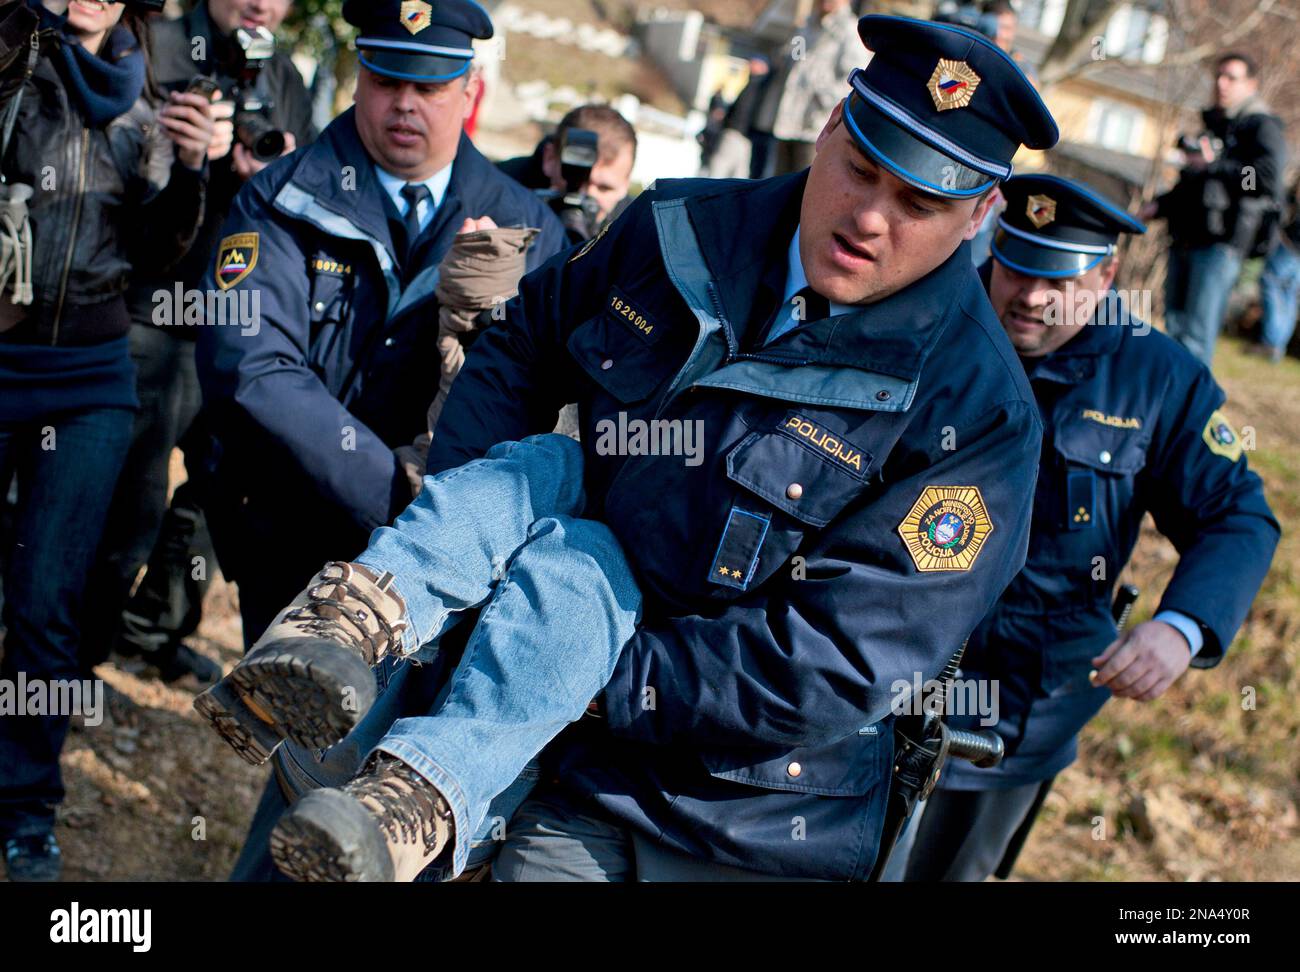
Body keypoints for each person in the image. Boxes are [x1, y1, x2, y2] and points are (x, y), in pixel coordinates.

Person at [206, 14, 1061, 883]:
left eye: (920, 204)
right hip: (520, 621)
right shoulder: (678, 228)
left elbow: (834, 662)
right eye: (861, 170)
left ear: (981, 213)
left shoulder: (979, 421)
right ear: (831, 124)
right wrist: (467, 551)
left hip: (713, 804)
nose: (872, 218)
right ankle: (365, 620)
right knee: (308, 836)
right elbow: (525, 344)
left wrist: (588, 671)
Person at [899, 174, 1280, 882]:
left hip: (1015, 711)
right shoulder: (925, 317)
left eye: (1058, 280)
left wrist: (1183, 627)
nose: (1031, 297)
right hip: (874, 662)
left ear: (1106, 276)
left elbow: (1237, 516)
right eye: (1016, 265)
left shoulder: (1157, 377)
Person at [190, 0, 565, 654]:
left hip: (444, 548)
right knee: (298, 733)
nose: (405, 105)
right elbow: (250, 366)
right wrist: (395, 495)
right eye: (387, 82)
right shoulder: (281, 198)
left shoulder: (525, 227)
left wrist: (491, 316)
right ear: (359, 78)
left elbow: (551, 395)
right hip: (289, 515)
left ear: (470, 91)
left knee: (397, 740)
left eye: (430, 87)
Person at [0, 0, 214, 881]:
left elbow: (163, 257)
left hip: (91, 374)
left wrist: (194, 171)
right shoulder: (12, 45)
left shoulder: (154, 75)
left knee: (49, 605)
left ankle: (23, 814)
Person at [83, 0, 316, 686]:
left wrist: (274, 176)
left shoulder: (289, 82)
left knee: (221, 500)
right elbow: (111, 180)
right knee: (127, 503)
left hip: (244, 327)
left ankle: (149, 631)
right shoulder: (151, 48)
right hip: (154, 314)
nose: (261, 2)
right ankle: (72, 659)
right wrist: (190, 159)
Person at [1141, 53, 1287, 366]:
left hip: (1221, 244)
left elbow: (1265, 180)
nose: (1221, 84)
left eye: (1231, 77)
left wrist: (1216, 166)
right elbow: (1197, 184)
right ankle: (1170, 404)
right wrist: (1159, 206)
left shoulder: (1261, 126)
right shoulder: (1218, 125)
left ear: (1251, 84)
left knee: (1196, 335)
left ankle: (1192, 409)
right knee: (1175, 328)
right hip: (1185, 237)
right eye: (1218, 76)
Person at [497, 103, 637, 243]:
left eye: (604, 188)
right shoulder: (499, 188)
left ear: (625, 184)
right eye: (576, 180)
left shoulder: (635, 226)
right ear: (550, 158)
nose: (586, 196)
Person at [761, 0, 861, 177]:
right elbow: (793, 61)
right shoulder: (805, 26)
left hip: (817, 129)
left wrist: (820, 94)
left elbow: (856, 81)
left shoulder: (850, 31)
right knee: (780, 187)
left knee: (806, 188)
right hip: (787, 124)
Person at [1250, 174, 1300, 363]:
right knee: (1288, 296)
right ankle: (1277, 346)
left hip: (1289, 249)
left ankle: (1270, 343)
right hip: (1294, 252)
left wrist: (1283, 235)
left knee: (1270, 284)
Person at [702, 56, 770, 180]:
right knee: (734, 176)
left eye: (755, 64)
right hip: (740, 135)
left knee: (720, 172)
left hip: (737, 134)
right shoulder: (752, 84)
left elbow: (743, 112)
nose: (750, 66)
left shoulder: (758, 86)